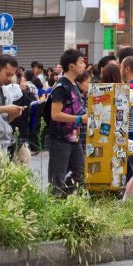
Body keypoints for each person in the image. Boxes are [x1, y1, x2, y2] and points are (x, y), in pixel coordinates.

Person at [47, 49, 88, 197]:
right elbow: (55, 115)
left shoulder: (74, 85)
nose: (84, 65)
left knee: (81, 173)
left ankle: (62, 199)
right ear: (71, 66)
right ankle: (54, 205)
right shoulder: (61, 87)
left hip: (74, 139)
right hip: (60, 139)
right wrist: (79, 119)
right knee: (57, 177)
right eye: (81, 62)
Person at [0, 56, 23, 154]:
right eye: (7, 74)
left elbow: (3, 120)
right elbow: (0, 110)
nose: (9, 79)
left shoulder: (4, 91)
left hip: (3, 146)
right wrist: (4, 109)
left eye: (12, 75)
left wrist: (12, 115)